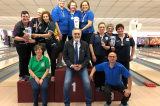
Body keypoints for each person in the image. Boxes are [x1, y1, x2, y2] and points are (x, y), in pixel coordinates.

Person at [63, 28, 92, 106]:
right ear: (72, 34)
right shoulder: (67, 43)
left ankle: (88, 103)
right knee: (66, 83)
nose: (77, 35)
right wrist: (71, 65)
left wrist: (82, 65)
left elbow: (88, 57)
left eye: (78, 34)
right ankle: (66, 103)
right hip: (71, 67)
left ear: (81, 34)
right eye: (75, 34)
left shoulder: (85, 44)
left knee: (87, 83)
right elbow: (65, 56)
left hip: (82, 67)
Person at [32, 11, 62, 82]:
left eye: (46, 16)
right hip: (49, 45)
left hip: (56, 44)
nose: (45, 18)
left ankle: (53, 75)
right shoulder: (43, 24)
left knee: (52, 59)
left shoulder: (51, 23)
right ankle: (47, 73)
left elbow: (49, 35)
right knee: (50, 60)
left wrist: (38, 35)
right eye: (44, 17)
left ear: (49, 17)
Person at [89, 22, 110, 91]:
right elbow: (90, 45)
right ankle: (97, 85)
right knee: (97, 71)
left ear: (105, 28)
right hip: (95, 56)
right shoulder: (94, 35)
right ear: (98, 28)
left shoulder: (107, 37)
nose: (102, 28)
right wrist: (93, 55)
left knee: (103, 71)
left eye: (103, 27)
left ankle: (102, 84)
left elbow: (109, 47)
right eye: (100, 27)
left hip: (104, 56)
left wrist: (105, 46)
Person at [12, 11, 31, 81]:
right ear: (21, 17)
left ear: (29, 17)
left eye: (26, 16)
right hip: (20, 45)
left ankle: (26, 73)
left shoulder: (30, 24)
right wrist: (23, 39)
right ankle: (21, 75)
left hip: (28, 44)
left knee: (28, 59)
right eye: (24, 16)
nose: (25, 18)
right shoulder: (18, 25)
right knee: (22, 59)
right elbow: (14, 37)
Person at [51, 0, 69, 68]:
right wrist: (59, 32)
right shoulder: (55, 10)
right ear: (57, 1)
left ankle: (60, 61)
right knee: (58, 47)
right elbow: (55, 22)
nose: (62, 2)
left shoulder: (65, 10)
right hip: (59, 32)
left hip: (65, 32)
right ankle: (57, 62)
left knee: (62, 47)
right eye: (60, 1)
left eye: (63, 1)